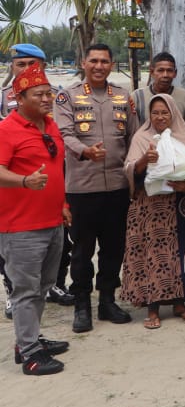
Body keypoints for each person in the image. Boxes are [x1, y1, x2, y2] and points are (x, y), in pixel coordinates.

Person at [55, 43, 137, 333]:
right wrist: (85, 151)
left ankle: (107, 301)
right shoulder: (68, 96)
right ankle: (81, 306)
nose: (99, 66)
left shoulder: (122, 96)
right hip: (82, 188)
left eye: (104, 61)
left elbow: (133, 137)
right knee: (82, 251)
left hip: (116, 187)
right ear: (83, 62)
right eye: (94, 61)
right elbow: (63, 134)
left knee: (114, 248)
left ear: (112, 64)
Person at [0, 63, 72, 374]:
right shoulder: (6, 130)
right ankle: (29, 354)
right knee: (25, 290)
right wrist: (24, 181)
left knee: (43, 286)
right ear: (20, 97)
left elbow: (57, 170)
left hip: (52, 221)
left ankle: (28, 339)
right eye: (39, 94)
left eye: (49, 93)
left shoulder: (50, 125)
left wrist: (64, 203)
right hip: (21, 227)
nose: (46, 99)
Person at [121, 94, 185, 329]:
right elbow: (129, 169)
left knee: (177, 255)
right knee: (152, 256)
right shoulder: (141, 137)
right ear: (149, 115)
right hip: (148, 207)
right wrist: (145, 159)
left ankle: (179, 302)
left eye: (165, 112)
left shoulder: (183, 136)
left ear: (173, 113)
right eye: (155, 113)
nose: (160, 117)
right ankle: (152, 307)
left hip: (177, 204)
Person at [131, 52, 185, 134]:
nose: (165, 75)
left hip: (177, 145)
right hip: (145, 145)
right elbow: (131, 131)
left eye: (169, 71)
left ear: (175, 73)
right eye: (160, 70)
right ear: (152, 72)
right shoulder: (137, 97)